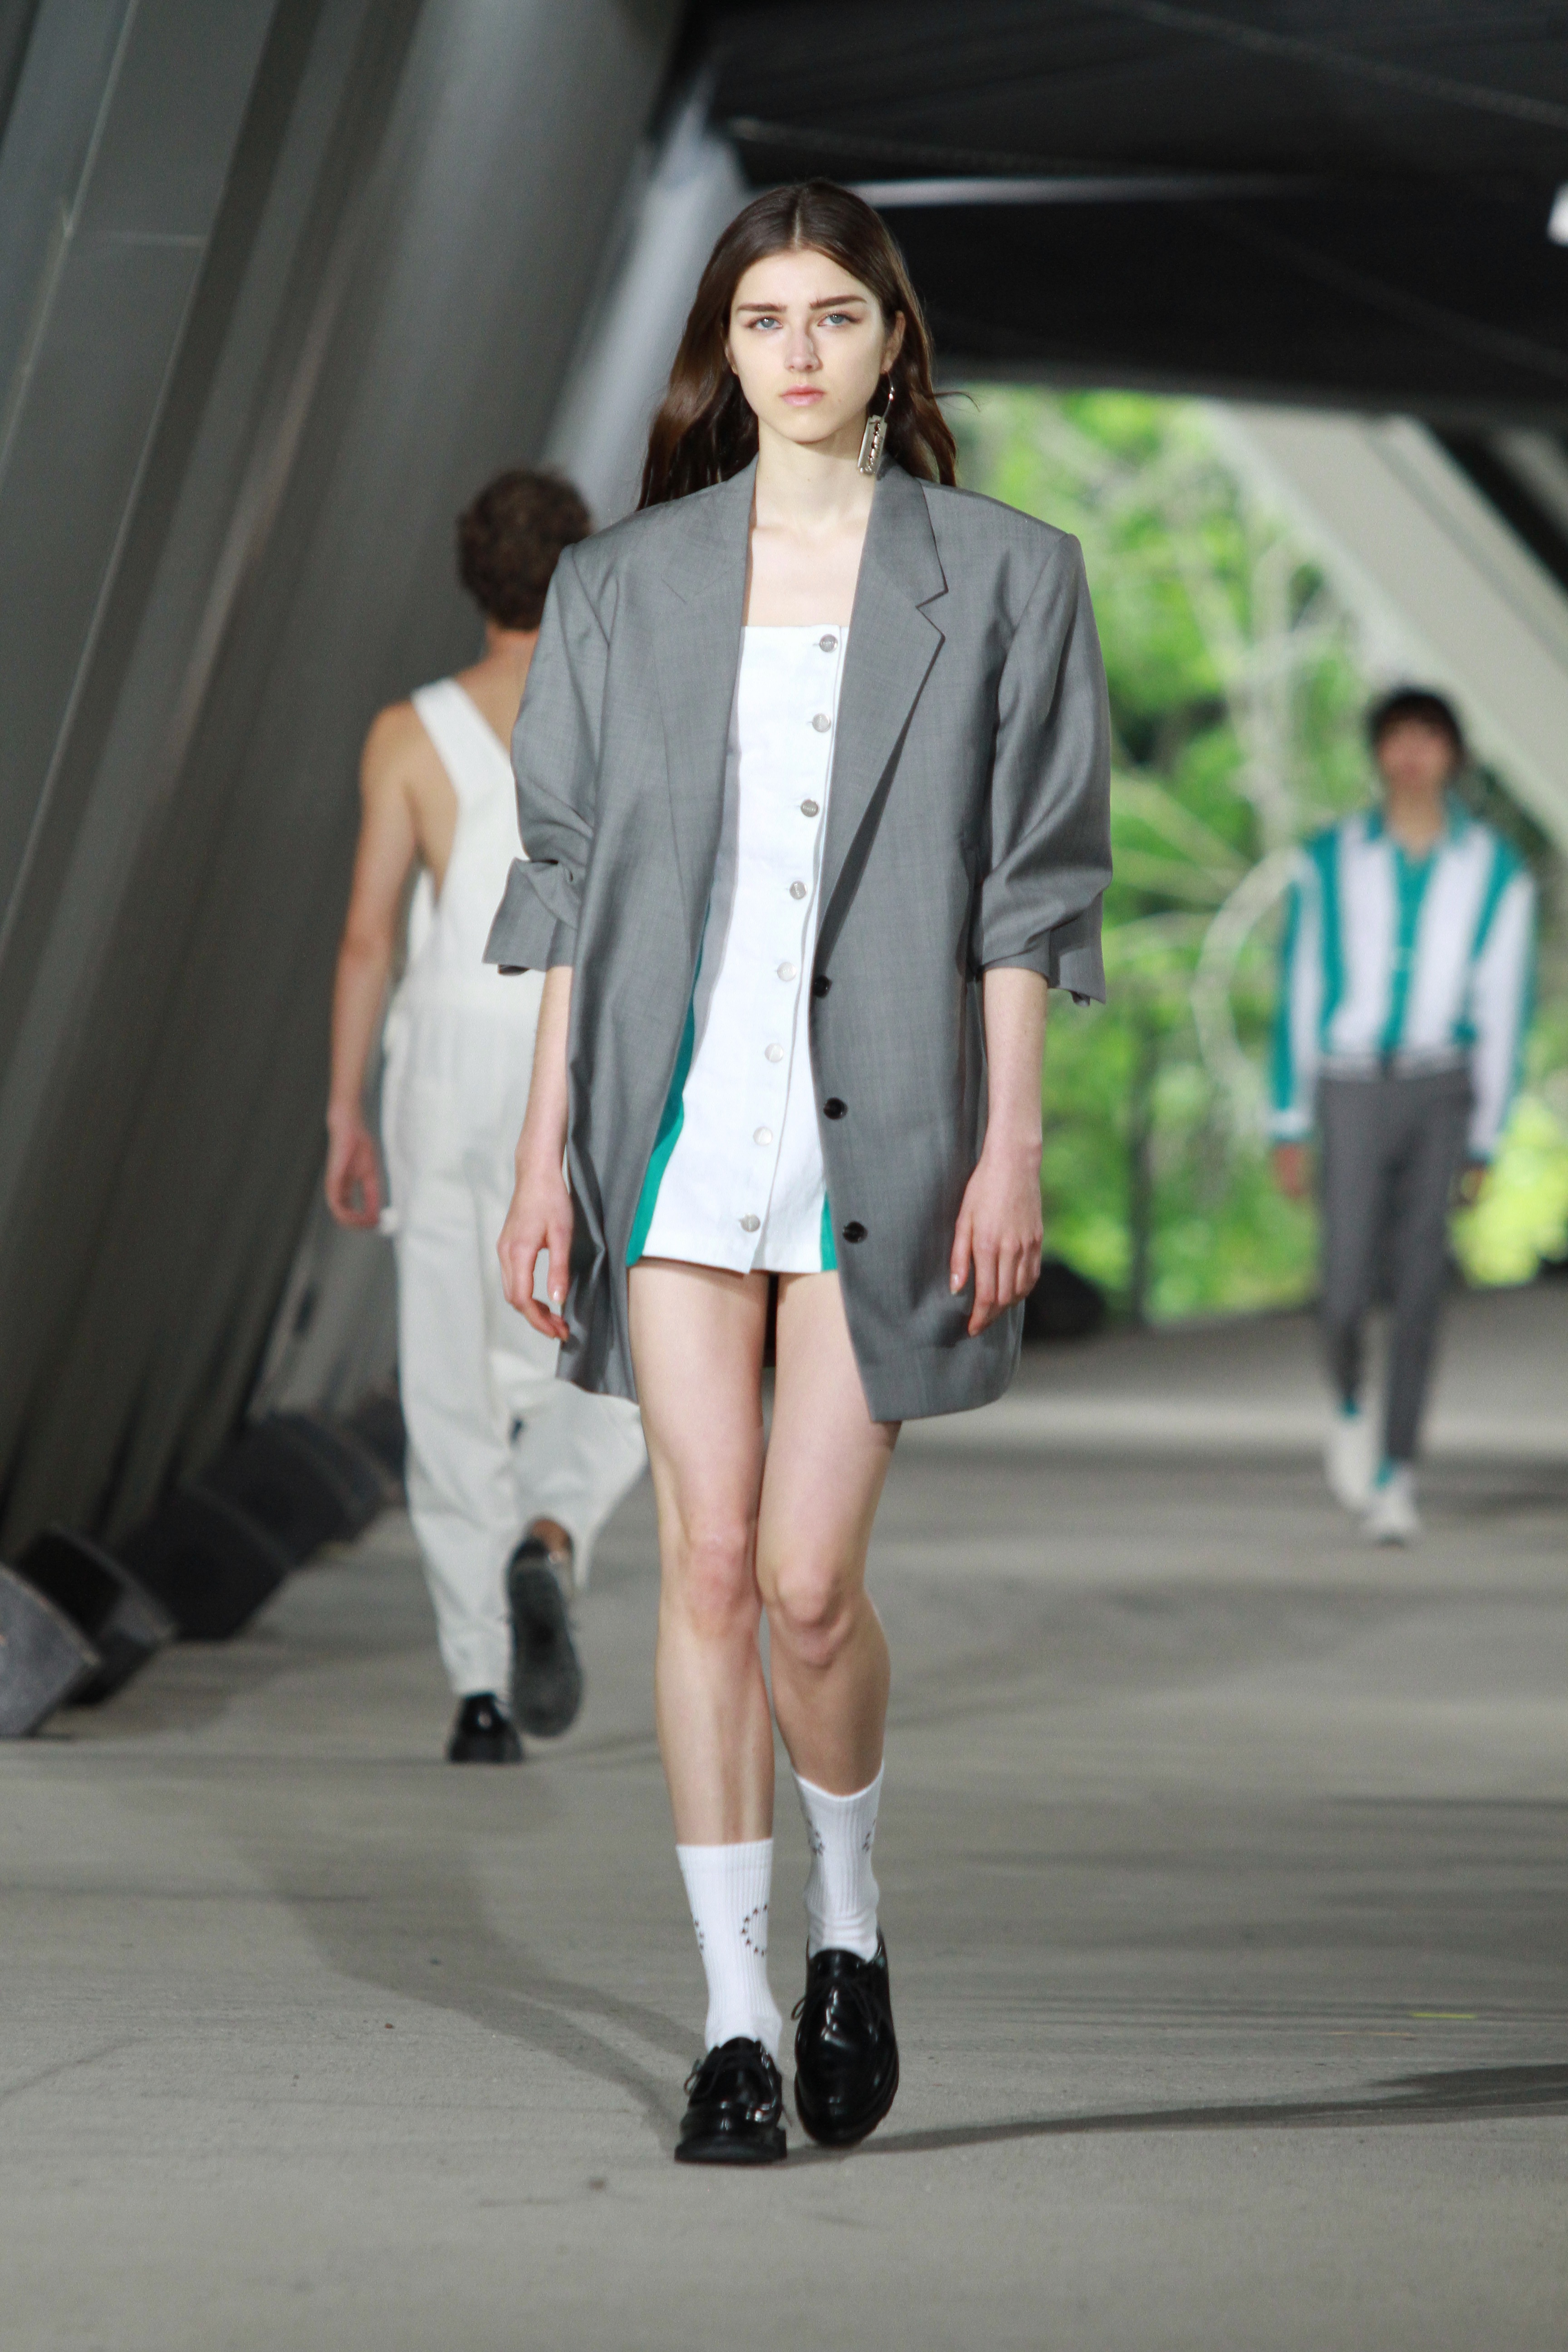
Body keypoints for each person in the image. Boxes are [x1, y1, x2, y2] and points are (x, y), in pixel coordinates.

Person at [488, 181, 1111, 2164]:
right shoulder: (622, 587)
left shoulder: (1006, 578)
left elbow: (1029, 894)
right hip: (675, 1130)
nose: (801, 353)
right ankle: (735, 2021)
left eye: (835, 315)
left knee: (814, 1589)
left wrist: (1010, 1145)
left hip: (891, 1134)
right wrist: (541, 1161)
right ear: (726, 352)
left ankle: (851, 1918)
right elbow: (568, 887)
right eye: (764, 321)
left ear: (891, 339)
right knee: (710, 1564)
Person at [325, 470, 647, 1763]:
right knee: (619, 1335)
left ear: (473, 576)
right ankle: (553, 1531)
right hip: (583, 1040)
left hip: (450, 1055)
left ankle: (477, 1688)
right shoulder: (623, 713)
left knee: (448, 1366)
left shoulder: (406, 735)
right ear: (578, 577)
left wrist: (345, 1110)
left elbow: (367, 940)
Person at [1271, 686, 1535, 1544]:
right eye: (1398, 737)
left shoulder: (1494, 868)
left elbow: (1503, 1005)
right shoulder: (1330, 859)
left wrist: (1487, 1137)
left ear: (1454, 753)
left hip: (1441, 1086)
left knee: (1421, 1283)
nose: (1413, 754)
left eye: (1429, 737)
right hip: (1350, 1084)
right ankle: (1350, 1399)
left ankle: (1398, 1473)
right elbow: (1301, 985)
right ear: (1379, 752)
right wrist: (1288, 1118)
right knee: (1344, 1283)